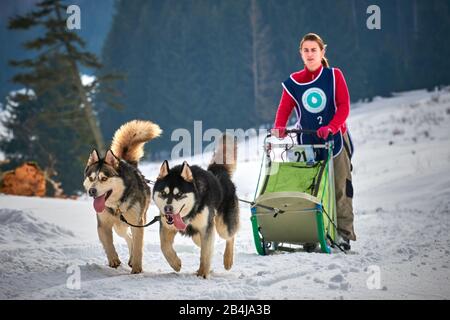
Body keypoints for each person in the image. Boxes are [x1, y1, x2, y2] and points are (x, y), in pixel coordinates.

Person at [271, 33, 355, 250]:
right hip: (306, 142)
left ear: (322, 52)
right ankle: (311, 235)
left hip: (334, 140)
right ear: (301, 53)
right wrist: (279, 127)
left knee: (340, 187)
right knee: (308, 190)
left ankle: (343, 235)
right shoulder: (294, 82)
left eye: (314, 50)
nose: (310, 54)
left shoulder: (334, 76)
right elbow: (284, 109)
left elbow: (344, 106)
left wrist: (332, 126)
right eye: (306, 50)